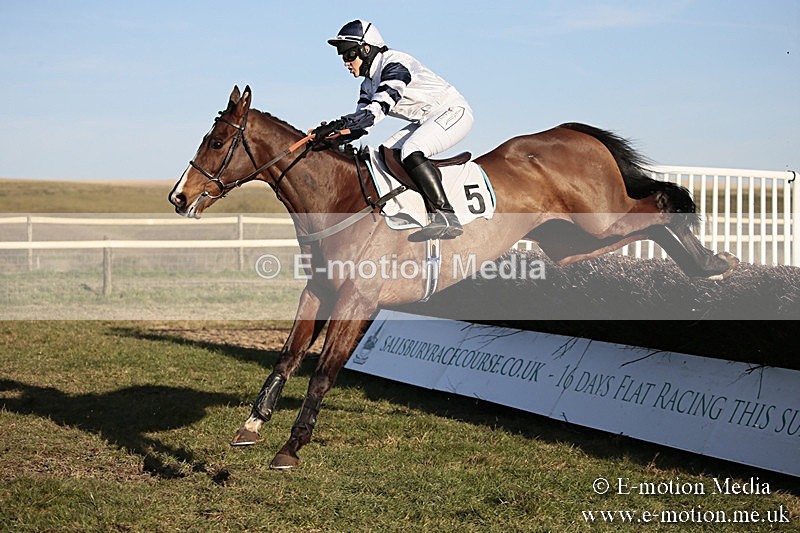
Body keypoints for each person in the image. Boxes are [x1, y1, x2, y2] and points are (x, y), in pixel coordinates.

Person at [313, 19, 474, 241]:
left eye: (349, 54)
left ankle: (446, 216)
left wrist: (340, 124)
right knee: (385, 153)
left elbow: (377, 110)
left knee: (411, 150)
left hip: (454, 112)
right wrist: (330, 138)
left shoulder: (395, 64)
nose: (345, 62)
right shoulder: (367, 85)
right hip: (426, 119)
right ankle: (413, 210)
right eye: (342, 56)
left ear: (366, 49)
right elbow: (360, 126)